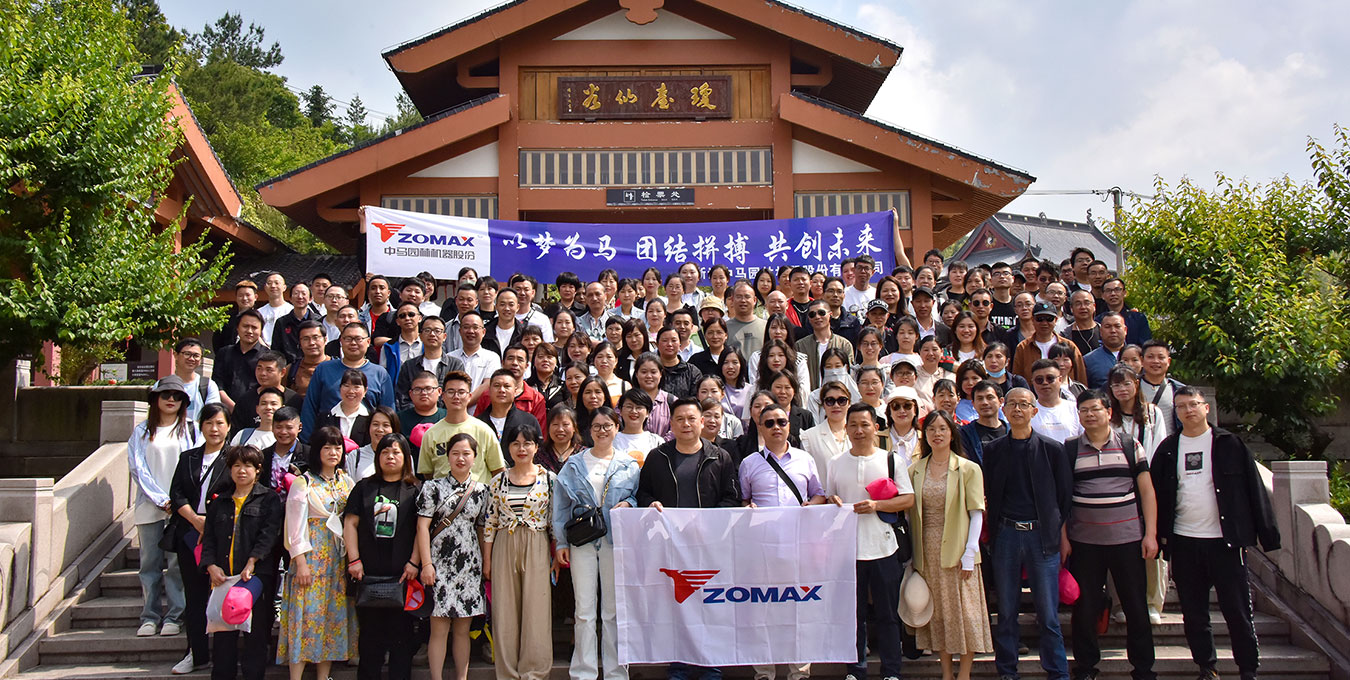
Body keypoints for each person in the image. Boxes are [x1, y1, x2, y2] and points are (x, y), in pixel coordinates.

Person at [1150, 387, 1280, 680]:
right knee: (1194, 613)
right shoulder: (1169, 449)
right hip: (1184, 541)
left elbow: (1254, 490)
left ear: (1205, 407)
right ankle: (1206, 667)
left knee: (1237, 610)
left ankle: (1248, 669)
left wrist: (1267, 534)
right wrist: (1156, 536)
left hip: (1225, 542)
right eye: (1181, 406)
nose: (1188, 410)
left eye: (1193, 404)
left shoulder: (1229, 444)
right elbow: (1155, 496)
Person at [639, 399, 739, 680]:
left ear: (702, 422)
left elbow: (731, 498)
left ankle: (711, 666)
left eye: (691, 418)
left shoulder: (719, 457)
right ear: (671, 424)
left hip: (709, 545)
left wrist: (707, 523)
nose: (686, 424)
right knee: (677, 607)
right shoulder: (658, 457)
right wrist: (651, 504)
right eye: (680, 419)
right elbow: (643, 493)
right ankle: (679, 666)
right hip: (670, 546)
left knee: (711, 607)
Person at [1063, 389, 1158, 680]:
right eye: (1084, 410)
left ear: (1108, 412)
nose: (1090, 415)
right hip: (1084, 542)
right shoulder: (1070, 448)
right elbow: (1062, 498)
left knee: (1135, 606)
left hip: (1127, 539)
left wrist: (1151, 534)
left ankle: (1143, 669)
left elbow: (1147, 491)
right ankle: (1086, 667)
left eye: (1095, 409)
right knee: (1085, 608)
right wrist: (1063, 537)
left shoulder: (1129, 444)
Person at [981, 387, 1072, 680]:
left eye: (1024, 404)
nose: (1018, 409)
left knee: (1048, 613)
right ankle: (1007, 671)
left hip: (1041, 536)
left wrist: (1057, 533)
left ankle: (1057, 672)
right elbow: (988, 492)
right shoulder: (993, 451)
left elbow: (1063, 498)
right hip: (1006, 535)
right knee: (1007, 610)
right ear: (1004, 410)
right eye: (1012, 404)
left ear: (1034, 410)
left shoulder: (1052, 450)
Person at [738, 402, 826, 680]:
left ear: (789, 425)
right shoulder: (749, 463)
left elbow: (819, 493)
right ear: (760, 427)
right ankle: (764, 671)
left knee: (798, 610)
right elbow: (743, 500)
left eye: (781, 422)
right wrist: (747, 508)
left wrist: (811, 505)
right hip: (762, 549)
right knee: (761, 611)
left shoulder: (805, 459)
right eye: (769, 423)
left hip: (798, 547)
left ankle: (799, 672)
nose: (776, 427)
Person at [826, 404, 914, 680]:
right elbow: (829, 498)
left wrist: (877, 505)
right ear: (846, 429)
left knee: (888, 614)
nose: (859, 430)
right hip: (847, 550)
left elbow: (908, 499)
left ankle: (891, 671)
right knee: (854, 615)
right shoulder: (835, 463)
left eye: (864, 424)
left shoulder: (891, 460)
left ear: (875, 428)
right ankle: (855, 669)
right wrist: (832, 501)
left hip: (884, 547)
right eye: (853, 425)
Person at [553, 408, 640, 680]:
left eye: (607, 425)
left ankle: (616, 672)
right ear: (589, 430)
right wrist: (560, 543)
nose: (602, 431)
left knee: (613, 611)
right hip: (582, 542)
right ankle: (584, 671)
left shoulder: (629, 465)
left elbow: (638, 497)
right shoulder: (574, 465)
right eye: (596, 426)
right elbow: (561, 507)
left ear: (617, 428)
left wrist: (630, 503)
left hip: (615, 541)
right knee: (584, 610)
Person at [908, 410, 992, 680]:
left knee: (965, 614)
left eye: (943, 428)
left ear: (952, 433)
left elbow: (976, 513)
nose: (937, 434)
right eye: (932, 429)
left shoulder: (968, 468)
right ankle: (946, 673)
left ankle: (964, 673)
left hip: (959, 548)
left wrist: (970, 551)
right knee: (940, 616)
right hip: (927, 550)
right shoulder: (915, 469)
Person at [199, 445, 284, 680]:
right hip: (223, 577)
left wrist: (252, 561)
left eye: (247, 465)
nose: (242, 470)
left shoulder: (268, 499)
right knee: (223, 636)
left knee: (255, 636)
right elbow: (209, 539)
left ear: (258, 470)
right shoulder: (220, 502)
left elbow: (269, 535)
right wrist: (210, 565)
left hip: (254, 578)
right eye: (236, 465)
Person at [278, 425, 355, 679]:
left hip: (337, 560)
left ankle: (324, 676)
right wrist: (300, 562)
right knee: (305, 617)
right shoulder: (304, 482)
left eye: (337, 447)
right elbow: (294, 526)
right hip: (311, 558)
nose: (333, 452)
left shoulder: (345, 481)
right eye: (327, 447)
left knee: (331, 618)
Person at [343, 432, 420, 680]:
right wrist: (354, 560)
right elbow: (350, 523)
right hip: (368, 574)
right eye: (385, 452)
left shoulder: (415, 489)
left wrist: (414, 562)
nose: (390, 456)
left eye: (396, 452)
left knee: (402, 639)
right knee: (370, 639)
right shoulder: (364, 487)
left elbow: (421, 529)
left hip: (403, 575)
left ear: (406, 457)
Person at [483, 419, 556, 680]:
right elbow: (490, 522)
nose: (521, 449)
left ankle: (534, 671)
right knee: (505, 610)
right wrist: (487, 560)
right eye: (515, 443)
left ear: (536, 447)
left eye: (527, 443)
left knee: (537, 608)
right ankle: (507, 672)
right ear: (508, 448)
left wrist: (556, 554)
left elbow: (554, 521)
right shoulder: (498, 481)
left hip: (537, 542)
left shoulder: (549, 479)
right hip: (505, 542)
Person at [128, 376, 201, 638]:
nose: (171, 400)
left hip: (182, 509)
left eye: (177, 396)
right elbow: (138, 468)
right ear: (155, 399)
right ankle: (149, 616)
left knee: (177, 564)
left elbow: (194, 467)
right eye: (165, 395)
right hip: (150, 507)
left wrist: (178, 502)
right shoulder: (141, 431)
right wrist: (161, 499)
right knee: (149, 564)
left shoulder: (191, 429)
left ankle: (174, 615)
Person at [416, 433, 491, 680]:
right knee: (438, 629)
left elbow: (482, 529)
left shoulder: (482, 491)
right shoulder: (433, 488)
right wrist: (426, 564)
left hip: (469, 566)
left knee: (462, 629)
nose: (461, 458)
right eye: (455, 453)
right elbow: (422, 528)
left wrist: (485, 562)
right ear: (447, 456)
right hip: (438, 564)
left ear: (475, 457)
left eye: (466, 453)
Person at [166, 403, 231, 675]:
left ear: (228, 427)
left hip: (224, 534)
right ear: (201, 426)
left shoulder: (234, 458)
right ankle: (196, 653)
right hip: (191, 533)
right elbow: (177, 493)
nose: (214, 429)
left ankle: (225, 658)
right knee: (195, 597)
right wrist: (195, 519)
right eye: (209, 423)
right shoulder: (188, 458)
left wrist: (212, 523)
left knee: (224, 594)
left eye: (220, 423)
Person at [1106, 364, 1170, 621]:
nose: (1122, 389)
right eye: (1116, 385)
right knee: (1117, 547)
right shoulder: (1109, 416)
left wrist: (1148, 478)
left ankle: (1153, 602)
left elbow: (1160, 446)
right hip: (1116, 489)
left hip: (1149, 485)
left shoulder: (1153, 413)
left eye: (1126, 383)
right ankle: (1120, 603)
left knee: (1152, 545)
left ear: (1136, 384)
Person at [300, 323, 396, 442]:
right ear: (341, 341)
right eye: (348, 339)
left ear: (368, 342)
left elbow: (387, 413)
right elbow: (310, 408)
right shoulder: (324, 369)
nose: (353, 343)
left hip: (366, 442)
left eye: (358, 339)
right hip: (328, 442)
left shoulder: (380, 373)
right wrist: (307, 443)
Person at [418, 371, 506, 483]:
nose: (456, 396)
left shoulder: (484, 431)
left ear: (469, 396)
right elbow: (427, 473)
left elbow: (498, 470)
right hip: (443, 493)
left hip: (477, 492)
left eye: (461, 392)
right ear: (443, 396)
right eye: (451, 392)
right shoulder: (431, 434)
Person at [395, 315, 465, 411]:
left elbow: (458, 396)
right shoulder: (409, 366)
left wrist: (439, 415)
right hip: (415, 417)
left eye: (437, 331)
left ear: (444, 337)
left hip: (447, 417)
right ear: (420, 336)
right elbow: (403, 399)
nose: (432, 334)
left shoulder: (455, 365)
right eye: (427, 330)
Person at [474, 344, 548, 429]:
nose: (515, 363)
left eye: (520, 360)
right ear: (502, 363)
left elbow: (540, 432)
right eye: (510, 358)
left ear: (526, 366)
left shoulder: (536, 399)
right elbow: (476, 426)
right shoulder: (488, 395)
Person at [1011, 302, 1086, 385]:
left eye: (1049, 319)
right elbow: (1017, 378)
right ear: (1032, 320)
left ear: (1056, 320)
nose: (1044, 323)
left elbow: (1081, 376)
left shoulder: (1069, 346)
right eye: (1040, 319)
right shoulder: (1023, 347)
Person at [796, 298, 854, 391]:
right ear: (809, 319)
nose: (817, 317)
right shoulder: (800, 346)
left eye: (821, 313)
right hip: (810, 396)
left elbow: (850, 374)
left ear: (830, 314)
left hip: (838, 395)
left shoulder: (844, 344)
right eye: (812, 314)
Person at [215, 310, 266, 409]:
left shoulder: (267, 356)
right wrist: (233, 408)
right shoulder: (224, 353)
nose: (249, 331)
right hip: (226, 409)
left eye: (254, 327)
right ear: (237, 328)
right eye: (245, 326)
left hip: (256, 410)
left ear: (261, 331)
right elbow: (218, 384)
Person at [314, 368, 373, 447]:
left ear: (365, 390)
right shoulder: (325, 417)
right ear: (340, 388)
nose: (351, 391)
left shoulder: (370, 419)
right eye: (346, 386)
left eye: (356, 387)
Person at [447, 311, 502, 393]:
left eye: (475, 327)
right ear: (460, 331)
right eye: (466, 327)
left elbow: (488, 384)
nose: (471, 331)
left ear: (483, 332)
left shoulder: (492, 358)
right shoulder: (449, 358)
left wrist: (467, 399)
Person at [1139, 340, 1185, 435]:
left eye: (1161, 357)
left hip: (1168, 442)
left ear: (1168, 361)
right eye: (1150, 357)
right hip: (1139, 442)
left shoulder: (1179, 390)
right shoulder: (1132, 387)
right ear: (1142, 360)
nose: (1156, 361)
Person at [172, 339, 220, 422]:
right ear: (176, 355)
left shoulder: (208, 385)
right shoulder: (162, 385)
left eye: (196, 355)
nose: (191, 359)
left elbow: (212, 416)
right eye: (187, 354)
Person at [958, 380, 1005, 465]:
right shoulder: (964, 434)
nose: (985, 403)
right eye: (980, 398)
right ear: (973, 403)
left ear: (1001, 401)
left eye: (990, 397)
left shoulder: (1012, 431)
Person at [345, 406, 399, 480]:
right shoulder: (355, 455)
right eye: (375, 424)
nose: (380, 429)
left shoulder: (403, 456)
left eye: (385, 425)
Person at [614, 389, 663, 464]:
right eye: (629, 407)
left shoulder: (656, 442)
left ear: (648, 413)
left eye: (639, 407)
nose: (634, 411)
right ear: (620, 411)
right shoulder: (611, 440)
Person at [1099, 277, 1152, 346]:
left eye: (1117, 289)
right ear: (1102, 295)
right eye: (1108, 290)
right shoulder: (1098, 320)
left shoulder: (1138, 318)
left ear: (1124, 293)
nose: (1113, 294)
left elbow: (1146, 345)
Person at [1082, 311, 1128, 390]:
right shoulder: (1088, 360)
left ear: (1125, 330)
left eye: (1117, 326)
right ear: (1101, 331)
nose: (1113, 330)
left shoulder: (1138, 355)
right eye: (1108, 327)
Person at [214, 279, 257, 352]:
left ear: (255, 297)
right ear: (236, 297)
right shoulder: (226, 318)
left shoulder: (260, 317)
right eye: (240, 295)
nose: (244, 298)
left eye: (248, 295)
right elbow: (217, 341)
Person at [399, 370, 446, 436]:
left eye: (428, 388)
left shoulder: (449, 417)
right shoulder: (399, 419)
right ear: (410, 394)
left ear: (439, 391)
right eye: (417, 389)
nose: (423, 393)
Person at [727, 282, 768, 358]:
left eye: (747, 296)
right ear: (732, 300)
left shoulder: (766, 326)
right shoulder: (724, 328)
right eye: (739, 297)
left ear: (754, 300)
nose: (743, 300)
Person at [289, 320, 328, 400]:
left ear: (325, 339)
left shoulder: (337, 366)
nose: (311, 343)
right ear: (300, 343)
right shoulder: (291, 370)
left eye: (315, 338)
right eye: (305, 339)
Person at [539, 404, 583, 473]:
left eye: (565, 424)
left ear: (574, 427)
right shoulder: (539, 454)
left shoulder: (583, 454)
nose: (560, 429)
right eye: (555, 424)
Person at [885, 386, 923, 465]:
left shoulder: (924, 439)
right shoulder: (877, 439)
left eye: (907, 405)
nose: (902, 410)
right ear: (889, 411)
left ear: (915, 409)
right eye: (896, 406)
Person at [1065, 290, 1101, 357]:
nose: (1083, 307)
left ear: (1094, 306)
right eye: (1078, 304)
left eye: (1087, 303)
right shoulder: (1065, 335)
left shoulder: (1103, 331)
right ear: (1071, 308)